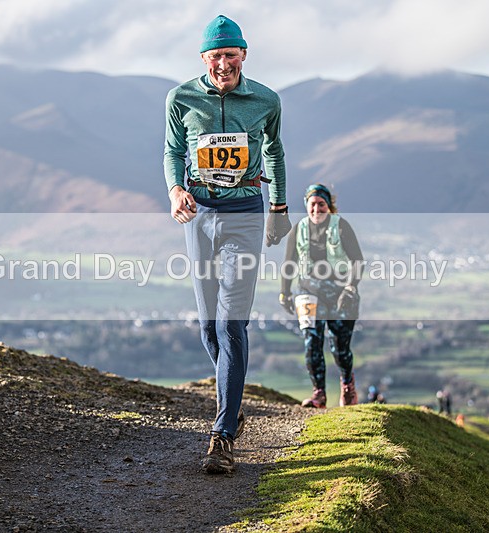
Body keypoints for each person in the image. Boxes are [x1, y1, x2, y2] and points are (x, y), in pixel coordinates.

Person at [164, 15, 291, 475]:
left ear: (243, 55)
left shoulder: (265, 100)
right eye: (215, 56)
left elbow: (274, 151)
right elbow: (172, 151)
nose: (223, 64)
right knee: (208, 326)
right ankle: (232, 399)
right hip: (199, 216)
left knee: (231, 322)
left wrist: (278, 207)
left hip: (244, 217)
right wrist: (175, 189)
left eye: (230, 56)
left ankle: (223, 435)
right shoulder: (181, 98)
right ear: (203, 59)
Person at [279, 184, 363, 408]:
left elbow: (357, 260)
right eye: (312, 204)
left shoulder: (341, 226)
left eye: (321, 204)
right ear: (306, 206)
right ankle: (319, 394)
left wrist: (350, 288)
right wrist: (284, 293)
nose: (317, 209)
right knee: (311, 342)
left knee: (339, 347)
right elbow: (289, 263)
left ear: (329, 206)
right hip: (307, 291)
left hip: (340, 292)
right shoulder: (299, 229)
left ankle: (347, 384)